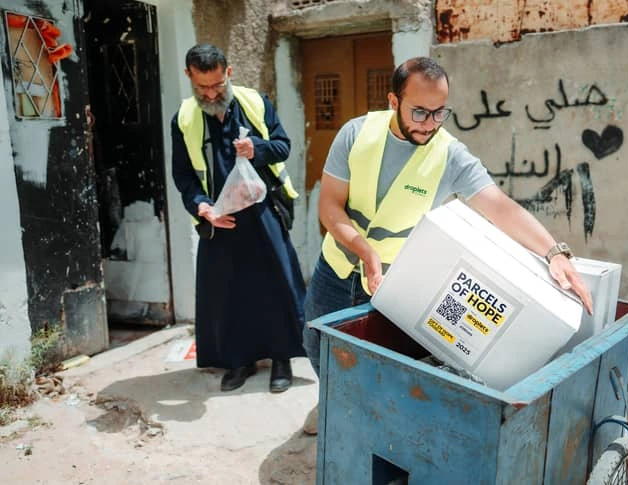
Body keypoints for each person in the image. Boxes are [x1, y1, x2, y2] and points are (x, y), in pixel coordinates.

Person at [300, 56, 593, 434]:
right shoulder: (356, 134)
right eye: (420, 112)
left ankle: (363, 426)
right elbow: (330, 207)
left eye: (440, 113)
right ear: (393, 101)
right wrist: (365, 251)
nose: (430, 124)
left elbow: (499, 206)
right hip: (338, 267)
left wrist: (553, 251)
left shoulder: (451, 155)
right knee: (315, 344)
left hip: (394, 280)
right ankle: (331, 397)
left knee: (384, 361)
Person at [171, 44, 306, 393]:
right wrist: (201, 207)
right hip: (218, 219)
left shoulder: (255, 103)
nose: (211, 93)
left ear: (228, 73)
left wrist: (256, 149)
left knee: (276, 284)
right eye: (202, 87)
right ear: (189, 77)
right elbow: (183, 175)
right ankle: (238, 360)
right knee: (227, 292)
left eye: (217, 85)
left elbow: (283, 146)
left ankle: (281, 360)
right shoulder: (184, 119)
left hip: (263, 212)